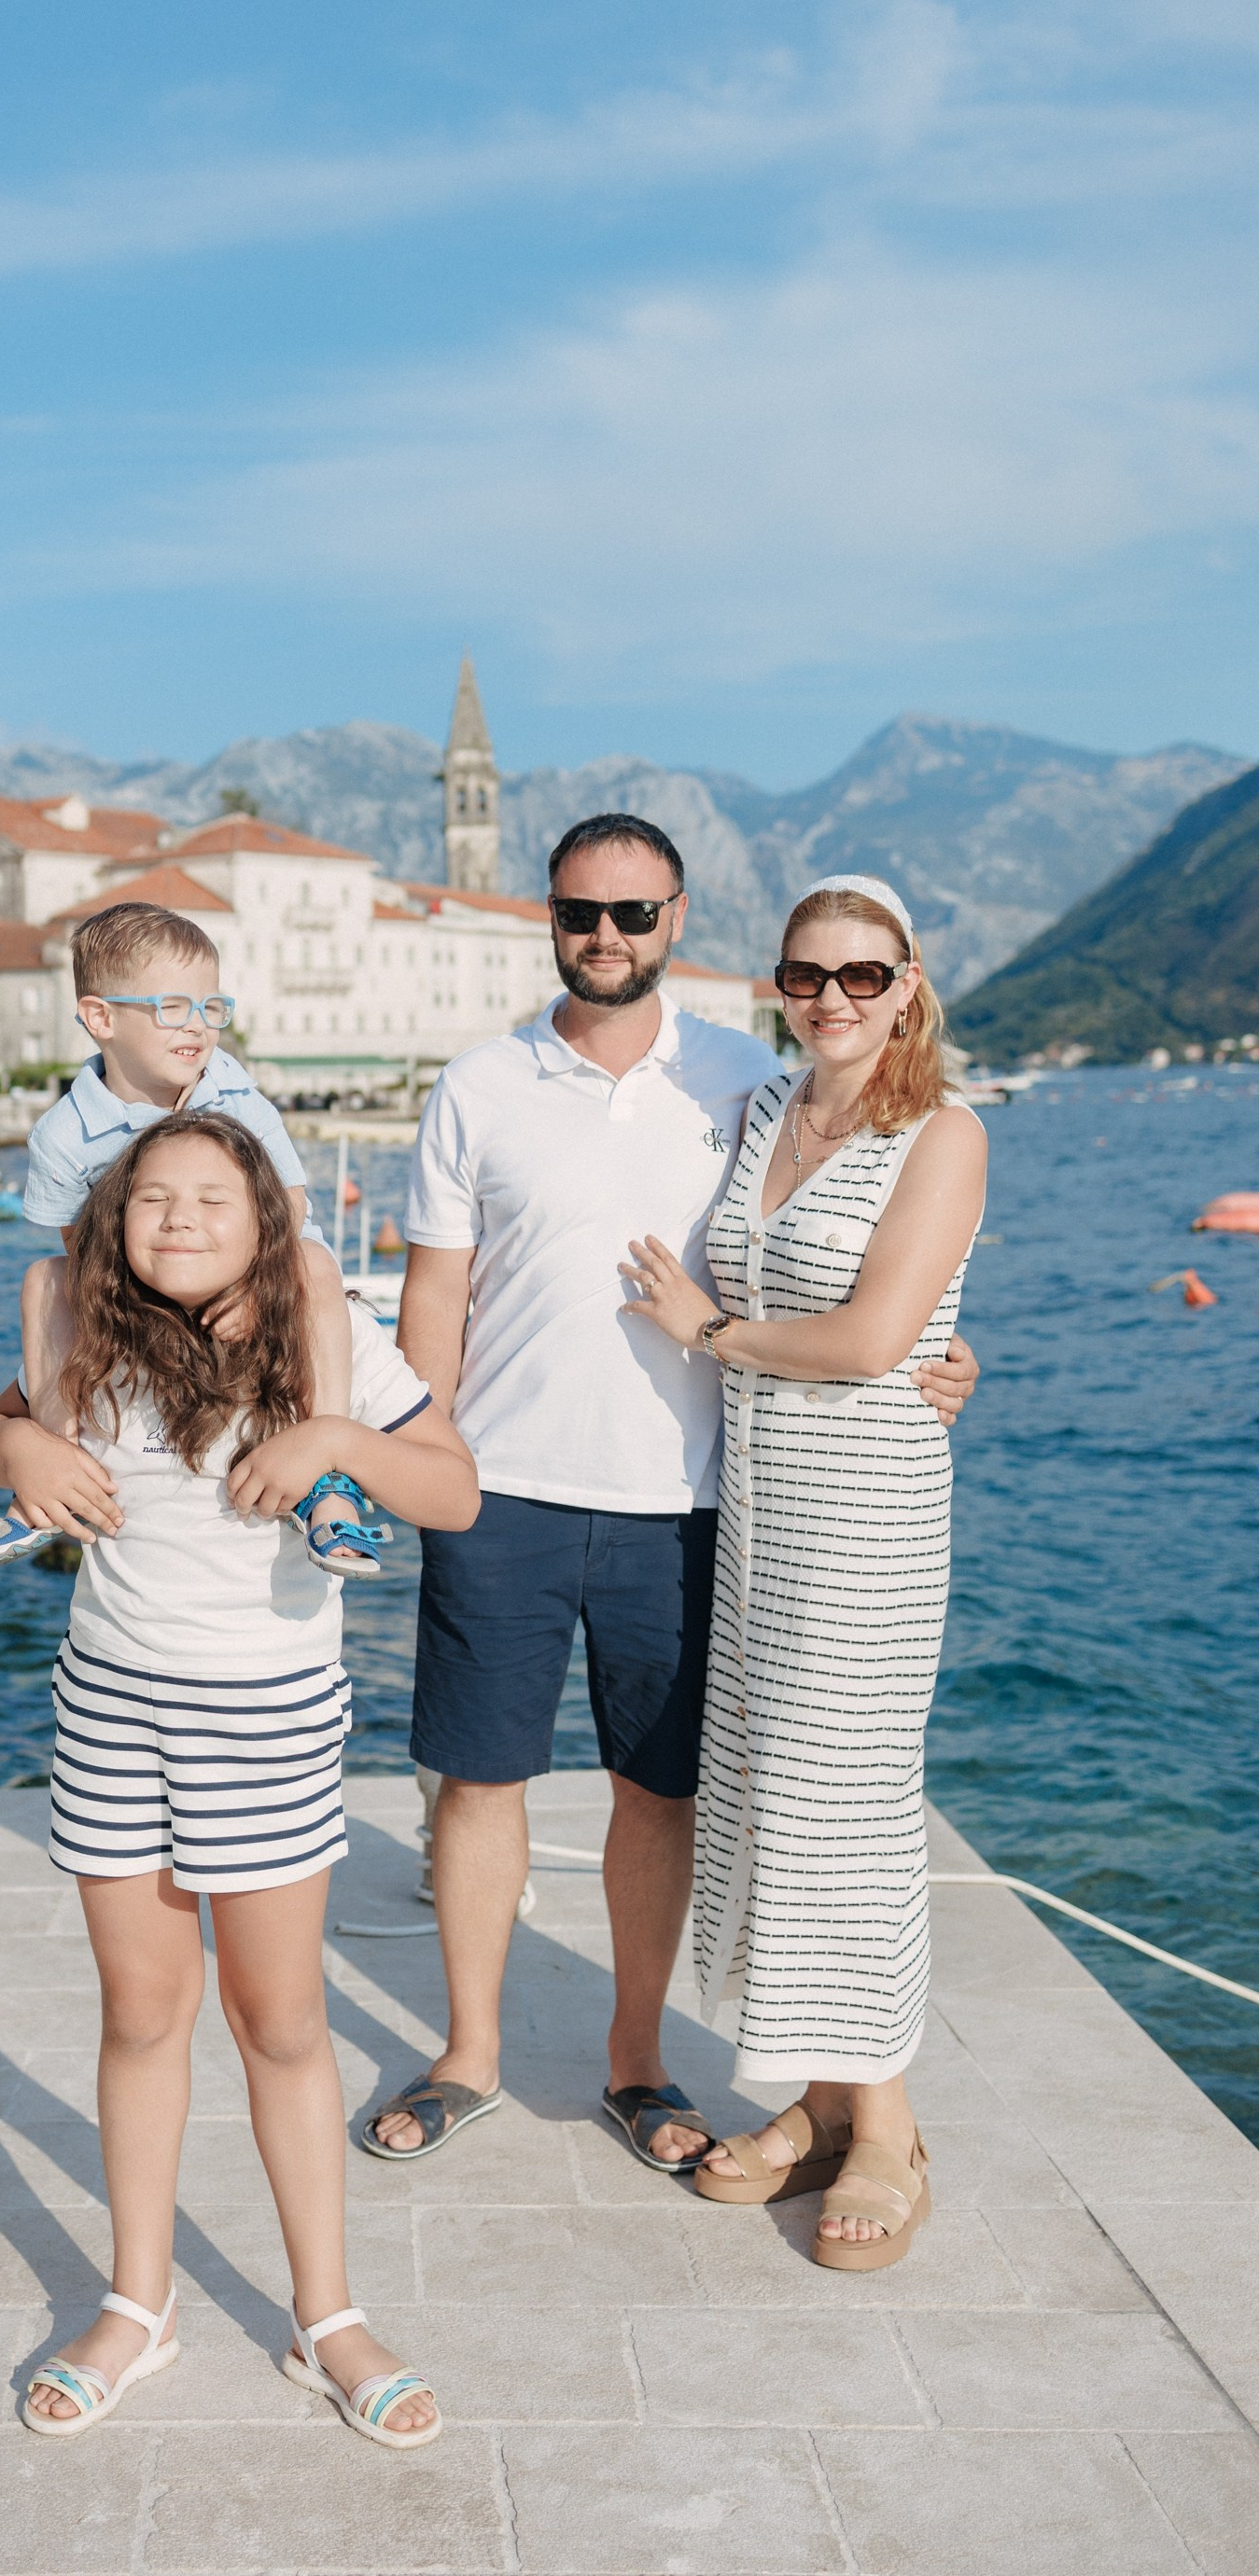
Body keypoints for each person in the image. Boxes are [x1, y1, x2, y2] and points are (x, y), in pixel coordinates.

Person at [362, 815, 978, 2171]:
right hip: (499, 1488)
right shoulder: (477, 1085)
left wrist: (940, 1351)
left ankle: (635, 2064)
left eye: (634, 913)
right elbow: (435, 1291)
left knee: (658, 1794)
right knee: (476, 1780)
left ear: (678, 920)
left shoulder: (747, 1082)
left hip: (695, 1501)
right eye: (581, 911)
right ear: (549, 916)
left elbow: (855, 1251)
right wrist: (422, 1454)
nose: (607, 934)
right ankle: (468, 2056)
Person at [0, 1115, 479, 2444]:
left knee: (283, 2024)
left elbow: (454, 1492)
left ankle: (327, 2319)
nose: (179, 1218)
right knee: (141, 2015)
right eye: (152, 1197)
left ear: (265, 1221)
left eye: (211, 1197)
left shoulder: (327, 1333)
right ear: (114, 1217)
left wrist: (332, 1444)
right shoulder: (88, 1330)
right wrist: (18, 1452)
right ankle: (138, 2303)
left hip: (265, 1720)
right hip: (109, 1711)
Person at [622, 874, 984, 2269]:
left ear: (907, 984)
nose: (831, 998)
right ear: (778, 986)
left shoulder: (943, 1131)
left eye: (861, 975)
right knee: (773, 1793)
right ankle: (825, 2102)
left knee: (849, 1808)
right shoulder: (767, 1108)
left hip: (866, 1516)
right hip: (761, 1513)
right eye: (805, 975)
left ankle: (886, 2127)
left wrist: (708, 1333)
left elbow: (875, 1339)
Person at [0, 900, 376, 1579]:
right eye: (173, 1007)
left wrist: (255, 1287)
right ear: (101, 1018)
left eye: (212, 1007)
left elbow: (290, 1204)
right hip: (146, 1289)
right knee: (44, 1280)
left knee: (313, 1260)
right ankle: (56, 1468)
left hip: (268, 1275)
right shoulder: (64, 1136)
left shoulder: (234, 1092)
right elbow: (84, 1250)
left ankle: (328, 1474)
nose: (198, 1026)